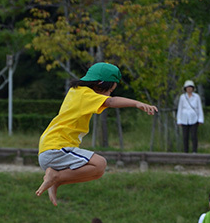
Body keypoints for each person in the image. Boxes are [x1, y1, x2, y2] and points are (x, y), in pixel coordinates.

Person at [36, 62, 158, 206]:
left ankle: (56, 180)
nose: (109, 95)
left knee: (97, 171)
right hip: (56, 147)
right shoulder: (85, 94)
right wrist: (137, 104)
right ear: (100, 84)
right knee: (100, 164)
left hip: (50, 148)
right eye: (109, 90)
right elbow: (111, 102)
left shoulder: (76, 91)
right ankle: (55, 176)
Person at [176, 80, 204, 153]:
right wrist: (179, 120)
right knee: (185, 136)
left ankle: (194, 151)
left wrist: (200, 119)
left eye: (190, 87)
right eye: (188, 88)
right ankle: (186, 151)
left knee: (194, 136)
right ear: (185, 88)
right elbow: (180, 108)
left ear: (193, 88)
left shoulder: (197, 97)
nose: (189, 89)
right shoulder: (182, 97)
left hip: (194, 118)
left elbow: (199, 108)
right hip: (184, 118)